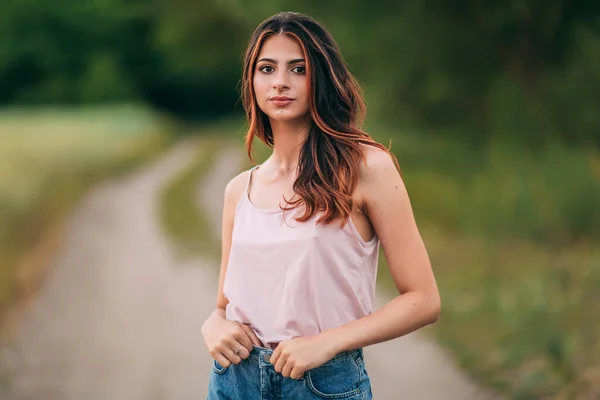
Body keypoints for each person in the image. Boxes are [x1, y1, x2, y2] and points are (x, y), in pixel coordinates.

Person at [201, 11, 441, 400]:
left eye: (298, 68)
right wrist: (213, 325)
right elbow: (223, 305)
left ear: (322, 78)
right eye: (267, 68)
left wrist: (328, 343)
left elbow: (424, 299)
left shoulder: (365, 168)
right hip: (233, 382)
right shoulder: (238, 190)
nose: (280, 82)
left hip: (321, 384)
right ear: (252, 81)